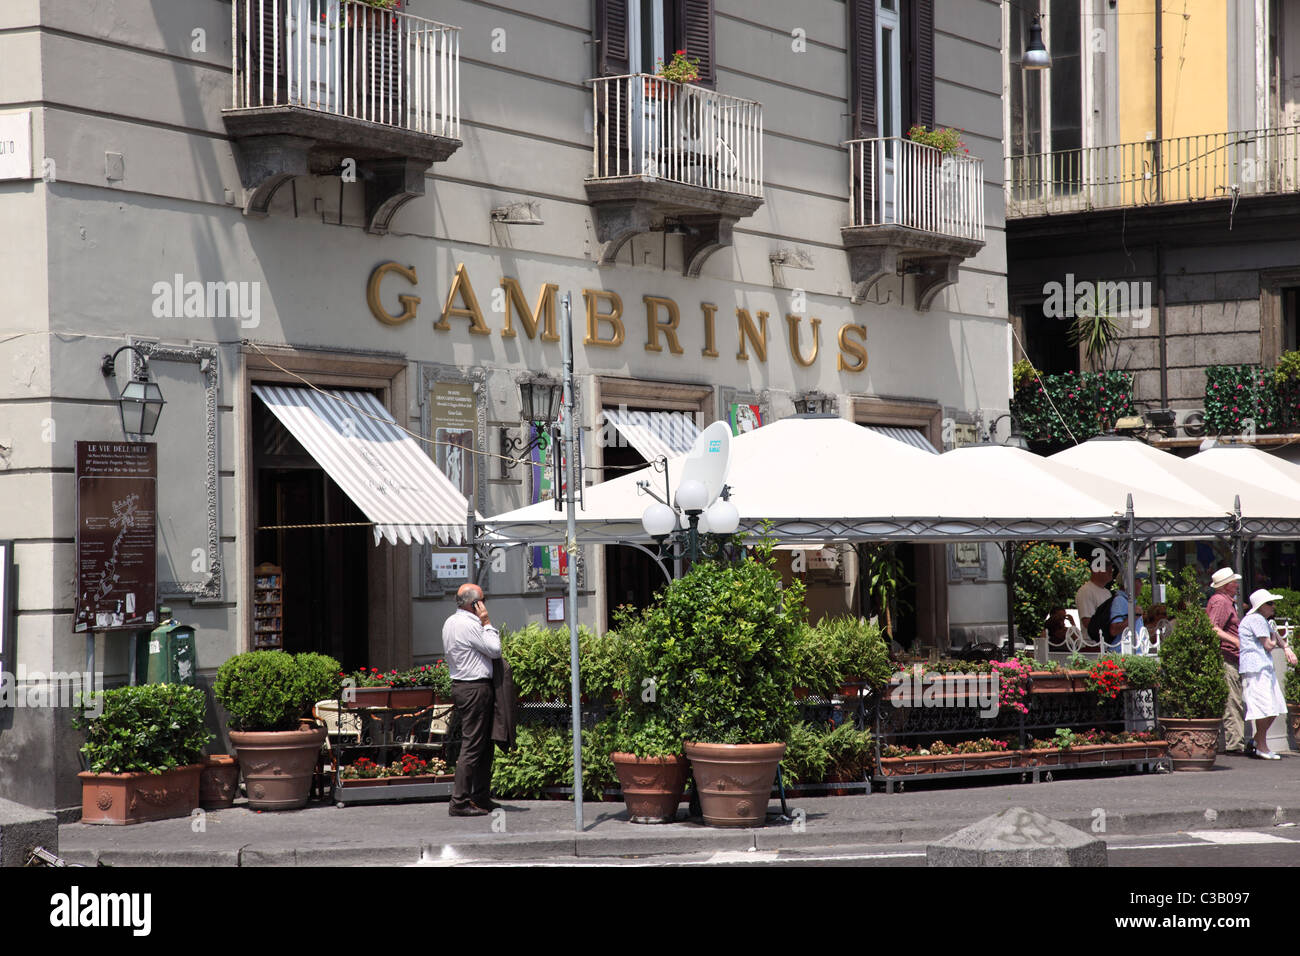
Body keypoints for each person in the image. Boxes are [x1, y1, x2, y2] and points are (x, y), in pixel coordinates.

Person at [443, 582, 502, 816]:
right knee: (473, 745)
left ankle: (480, 797)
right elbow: (495, 649)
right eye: (483, 601)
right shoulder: (470, 625)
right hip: (474, 688)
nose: (485, 605)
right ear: (474, 604)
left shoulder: (450, 622)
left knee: (484, 745)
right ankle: (459, 802)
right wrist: (486, 622)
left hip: (464, 686)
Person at [1237, 589, 1298, 760]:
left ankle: (1257, 743)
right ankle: (1262, 746)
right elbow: (1269, 645)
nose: (1273, 606)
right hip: (1256, 669)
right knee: (1264, 708)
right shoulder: (1256, 619)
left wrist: (1285, 647)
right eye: (1270, 603)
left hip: (1263, 668)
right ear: (1260, 606)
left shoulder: (1263, 620)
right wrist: (1275, 636)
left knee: (1274, 707)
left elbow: (1276, 637)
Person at [1206, 567, 1249, 754]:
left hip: (1231, 656)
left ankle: (1234, 741)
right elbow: (1212, 628)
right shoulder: (1220, 602)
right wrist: (1235, 640)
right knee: (1233, 701)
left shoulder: (1225, 601)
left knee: (1234, 700)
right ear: (1226, 586)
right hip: (1226, 656)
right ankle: (1235, 744)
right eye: (1234, 582)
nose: (1237, 584)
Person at [1075, 564, 1114, 637]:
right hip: (1093, 644)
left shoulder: (1107, 593)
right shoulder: (1086, 591)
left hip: (1106, 643)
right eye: (1106, 568)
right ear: (1096, 570)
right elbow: (1087, 622)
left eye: (1111, 568)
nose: (1111, 571)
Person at [1107, 585, 1143, 654]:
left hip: (1133, 652)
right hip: (1123, 653)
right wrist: (1134, 616)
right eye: (1138, 580)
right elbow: (1114, 630)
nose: (1141, 584)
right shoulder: (1119, 600)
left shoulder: (1128, 601)